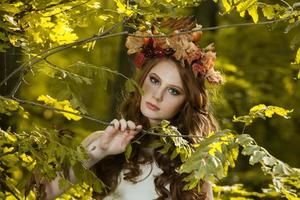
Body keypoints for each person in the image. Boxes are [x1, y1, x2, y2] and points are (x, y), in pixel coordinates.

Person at [45, 21, 223, 200]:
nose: (157, 95)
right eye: (154, 80)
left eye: (173, 91)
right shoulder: (100, 141)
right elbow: (42, 194)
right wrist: (99, 151)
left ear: (185, 102)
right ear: (142, 78)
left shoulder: (194, 166)